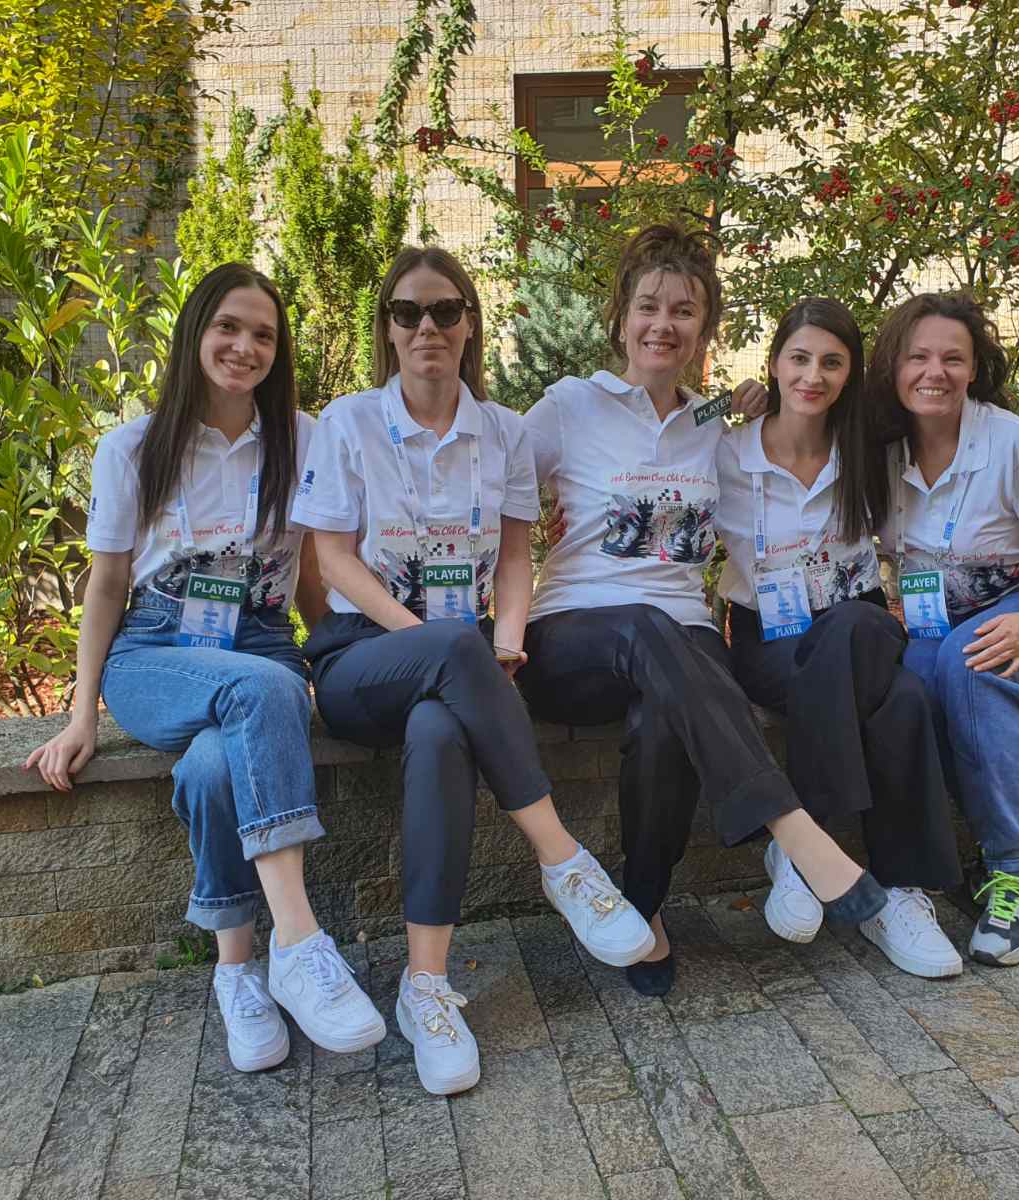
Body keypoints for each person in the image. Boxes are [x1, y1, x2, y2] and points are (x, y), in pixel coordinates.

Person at [292, 245, 654, 1096]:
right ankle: (563, 860)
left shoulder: (504, 432)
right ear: (387, 328)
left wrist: (509, 641)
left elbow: (517, 555)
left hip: (460, 665)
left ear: (469, 324)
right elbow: (333, 561)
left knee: (439, 730)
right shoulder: (349, 423)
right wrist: (434, 641)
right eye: (408, 312)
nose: (428, 327)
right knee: (454, 648)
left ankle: (425, 986)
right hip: (360, 656)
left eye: (446, 310)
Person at [25, 262, 385, 1075]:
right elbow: (107, 585)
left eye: (263, 335)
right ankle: (300, 943)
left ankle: (236, 971)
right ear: (195, 332)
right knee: (266, 691)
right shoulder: (131, 447)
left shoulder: (305, 440)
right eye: (228, 327)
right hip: (154, 653)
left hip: (260, 639)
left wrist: (339, 655)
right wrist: (82, 714)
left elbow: (313, 575)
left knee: (217, 763)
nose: (244, 347)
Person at [516, 225, 890, 998]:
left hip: (680, 647)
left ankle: (643, 905)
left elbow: (783, 465)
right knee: (647, 625)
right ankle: (791, 826)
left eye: (683, 310)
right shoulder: (569, 407)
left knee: (666, 706)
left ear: (705, 327)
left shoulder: (713, 425)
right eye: (648, 306)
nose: (664, 325)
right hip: (573, 639)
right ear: (621, 316)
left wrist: (758, 400)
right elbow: (491, 489)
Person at [716, 298, 964, 978]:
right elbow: (656, 461)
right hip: (771, 638)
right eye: (799, 359)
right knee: (903, 701)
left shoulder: (870, 450)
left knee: (856, 625)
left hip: (858, 621)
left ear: (851, 373)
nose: (813, 376)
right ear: (774, 363)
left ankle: (806, 849)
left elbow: (949, 415)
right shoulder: (728, 452)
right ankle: (891, 883)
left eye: (831, 362)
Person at [867, 291, 1019, 966]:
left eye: (953, 358)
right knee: (909, 685)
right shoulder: (880, 453)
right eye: (917, 357)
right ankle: (941, 860)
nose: (935, 372)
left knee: (973, 671)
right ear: (893, 367)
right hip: (947, 616)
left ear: (974, 368)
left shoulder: (1015, 446)